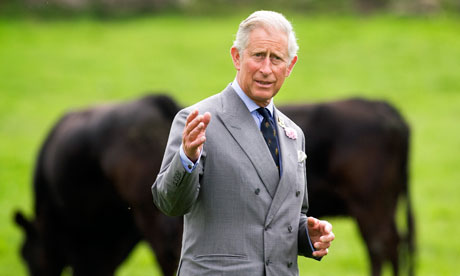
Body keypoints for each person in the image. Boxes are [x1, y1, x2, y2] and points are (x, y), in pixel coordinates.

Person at [152, 10, 335, 275]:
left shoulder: (293, 134)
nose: (266, 69)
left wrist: (307, 235)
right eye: (258, 55)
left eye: (276, 59)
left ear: (290, 66)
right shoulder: (198, 120)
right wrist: (187, 157)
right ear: (237, 57)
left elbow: (280, 219)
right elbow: (169, 203)